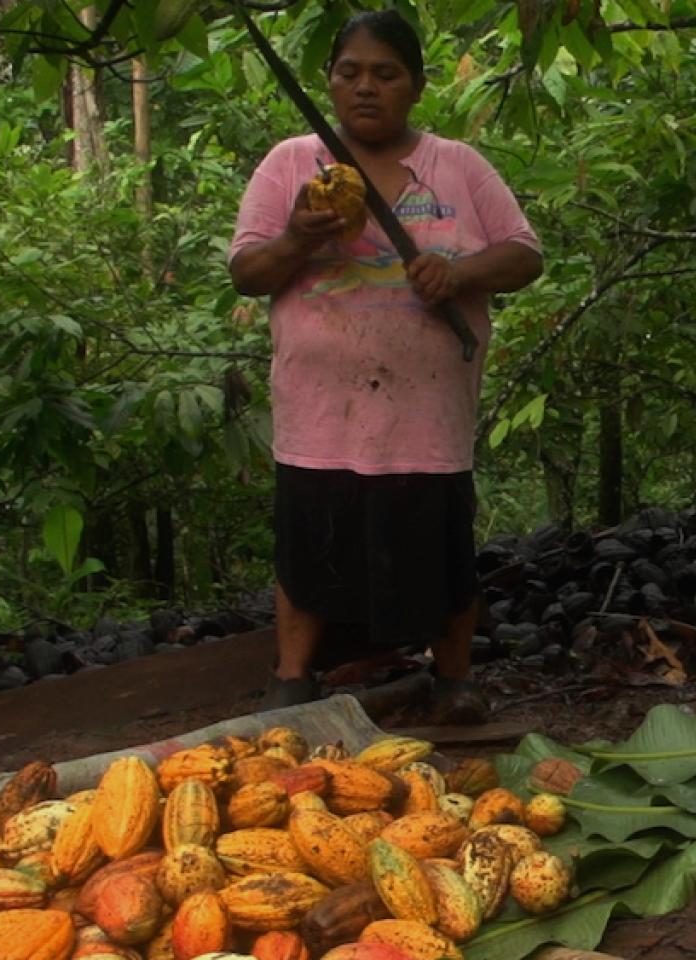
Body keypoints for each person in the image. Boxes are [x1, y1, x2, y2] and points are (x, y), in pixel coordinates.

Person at [228, 10, 544, 723]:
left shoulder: (457, 167)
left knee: (437, 539)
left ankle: (454, 677)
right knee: (311, 536)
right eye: (349, 73)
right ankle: (293, 674)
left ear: (416, 86)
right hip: (320, 408)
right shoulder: (290, 164)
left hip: (425, 409)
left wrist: (459, 271)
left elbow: (525, 254)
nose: (364, 87)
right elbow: (248, 272)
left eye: (385, 73)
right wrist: (297, 238)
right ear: (330, 84)